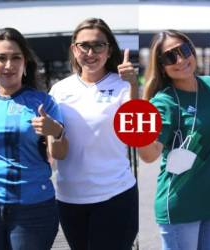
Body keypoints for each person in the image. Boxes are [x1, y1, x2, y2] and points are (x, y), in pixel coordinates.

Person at [138, 30, 210, 250]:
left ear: (192, 50)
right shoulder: (164, 101)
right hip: (181, 206)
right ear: (161, 66)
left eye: (184, 50)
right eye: (170, 57)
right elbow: (149, 154)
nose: (180, 60)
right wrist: (137, 130)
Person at [49, 18, 138, 250]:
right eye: (84, 46)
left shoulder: (123, 85)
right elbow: (55, 151)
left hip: (115, 195)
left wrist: (134, 87)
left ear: (109, 51)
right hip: (69, 198)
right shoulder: (59, 90)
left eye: (98, 45)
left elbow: (139, 134)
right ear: (73, 49)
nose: (91, 52)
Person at [0, 27, 68, 250]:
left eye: (16, 57)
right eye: (1, 58)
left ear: (25, 63)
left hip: (33, 209)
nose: (8, 65)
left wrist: (56, 132)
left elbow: (60, 154)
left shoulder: (43, 103)